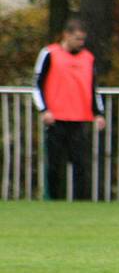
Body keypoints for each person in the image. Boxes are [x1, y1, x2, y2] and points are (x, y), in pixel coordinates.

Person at [33, 18, 106, 200]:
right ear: (66, 35)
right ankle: (53, 200)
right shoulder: (50, 53)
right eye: (77, 39)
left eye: (83, 40)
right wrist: (44, 110)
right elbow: (37, 85)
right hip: (56, 118)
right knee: (54, 165)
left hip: (80, 118)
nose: (81, 43)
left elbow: (93, 88)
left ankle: (82, 203)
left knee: (81, 164)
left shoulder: (88, 58)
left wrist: (98, 113)